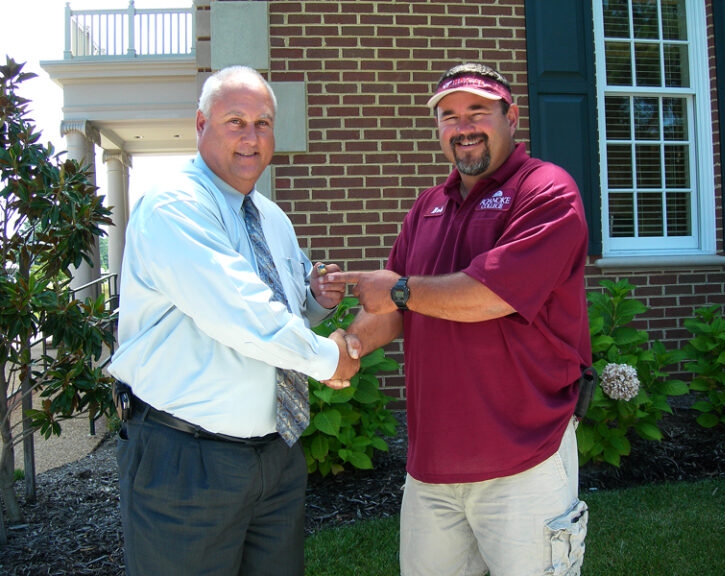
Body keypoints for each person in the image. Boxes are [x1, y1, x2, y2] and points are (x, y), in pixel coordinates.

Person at [323, 63, 592, 575]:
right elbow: (391, 311)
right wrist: (348, 347)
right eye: (448, 116)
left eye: (477, 111)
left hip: (525, 462)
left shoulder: (546, 192)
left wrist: (399, 289)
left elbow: (490, 295)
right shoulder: (428, 207)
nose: (462, 126)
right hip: (432, 472)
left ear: (511, 117)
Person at [108, 66, 359, 576]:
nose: (251, 138)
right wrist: (331, 357)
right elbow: (239, 314)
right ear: (201, 124)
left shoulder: (272, 218)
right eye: (235, 122)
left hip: (276, 458)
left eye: (263, 124)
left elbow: (276, 312)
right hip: (186, 461)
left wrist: (312, 301)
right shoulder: (174, 207)